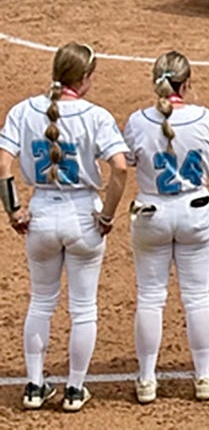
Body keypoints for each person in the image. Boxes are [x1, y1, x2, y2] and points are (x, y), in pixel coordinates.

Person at [0, 43, 129, 413]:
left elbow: (3, 164)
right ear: (85, 79)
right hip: (82, 218)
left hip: (40, 214)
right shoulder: (96, 116)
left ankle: (35, 386)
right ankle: (74, 390)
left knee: (40, 302)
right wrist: (106, 215)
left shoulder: (23, 111)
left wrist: (13, 210)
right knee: (83, 307)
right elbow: (119, 168)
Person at [123, 51, 209, 403]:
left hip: (151, 212)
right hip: (195, 212)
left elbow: (129, 161)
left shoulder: (138, 121)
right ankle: (202, 378)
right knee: (197, 297)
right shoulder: (203, 118)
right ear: (187, 83)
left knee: (150, 298)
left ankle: (146, 380)